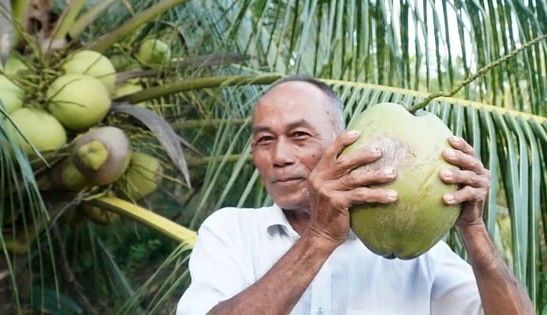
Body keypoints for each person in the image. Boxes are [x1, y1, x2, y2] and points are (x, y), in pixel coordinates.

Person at [176, 76, 534, 315]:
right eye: (264, 140)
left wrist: (474, 230)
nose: (280, 157)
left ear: (344, 143)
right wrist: (320, 238)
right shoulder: (229, 232)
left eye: (300, 135)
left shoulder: (417, 255)